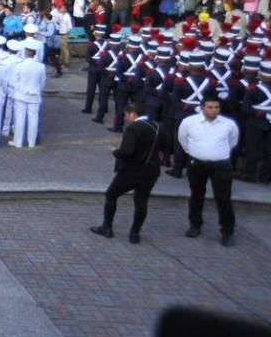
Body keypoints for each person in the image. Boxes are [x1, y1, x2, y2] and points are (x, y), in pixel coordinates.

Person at [90, 105, 161, 243]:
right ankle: (134, 234)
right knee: (141, 202)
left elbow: (127, 152)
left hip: (131, 171)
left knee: (111, 194)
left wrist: (115, 151)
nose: (125, 118)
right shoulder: (157, 126)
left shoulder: (133, 128)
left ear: (133, 114)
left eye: (126, 115)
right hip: (151, 171)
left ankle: (107, 227)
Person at [177, 94, 240, 246]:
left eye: (217, 107)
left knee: (223, 198)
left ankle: (227, 231)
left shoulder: (228, 124)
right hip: (197, 163)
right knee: (196, 194)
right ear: (202, 107)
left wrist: (216, 153)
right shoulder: (189, 122)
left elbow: (233, 141)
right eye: (210, 107)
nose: (214, 110)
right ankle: (195, 225)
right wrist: (196, 152)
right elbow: (183, 140)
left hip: (221, 165)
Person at [10, 40, 46, 148]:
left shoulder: (19, 65)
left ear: (25, 53)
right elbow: (42, 82)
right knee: (33, 119)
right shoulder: (40, 66)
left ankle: (18, 142)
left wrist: (22, 89)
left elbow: (13, 81)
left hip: (20, 95)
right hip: (34, 95)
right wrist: (36, 91)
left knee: (19, 119)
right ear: (35, 53)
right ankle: (31, 142)